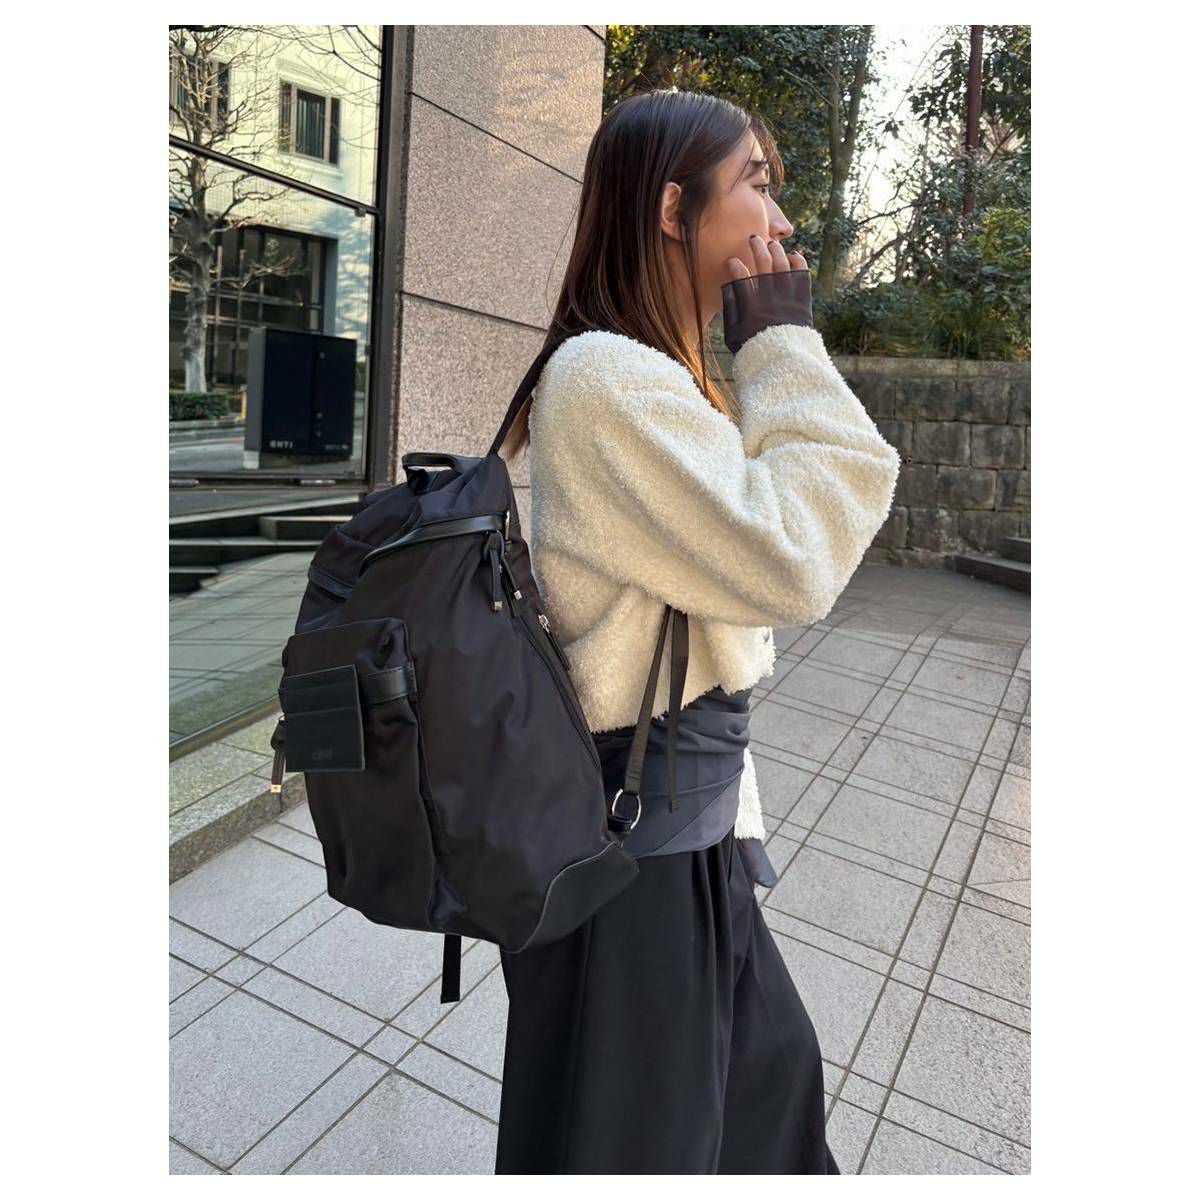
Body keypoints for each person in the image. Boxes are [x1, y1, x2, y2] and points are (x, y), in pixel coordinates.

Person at [492, 89, 901, 1175]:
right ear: (673, 209)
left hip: (684, 830)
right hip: (640, 856)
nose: (781, 218)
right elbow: (798, 553)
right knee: (654, 1146)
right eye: (755, 182)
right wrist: (784, 342)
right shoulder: (606, 379)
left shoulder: (651, 374)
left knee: (764, 1099)